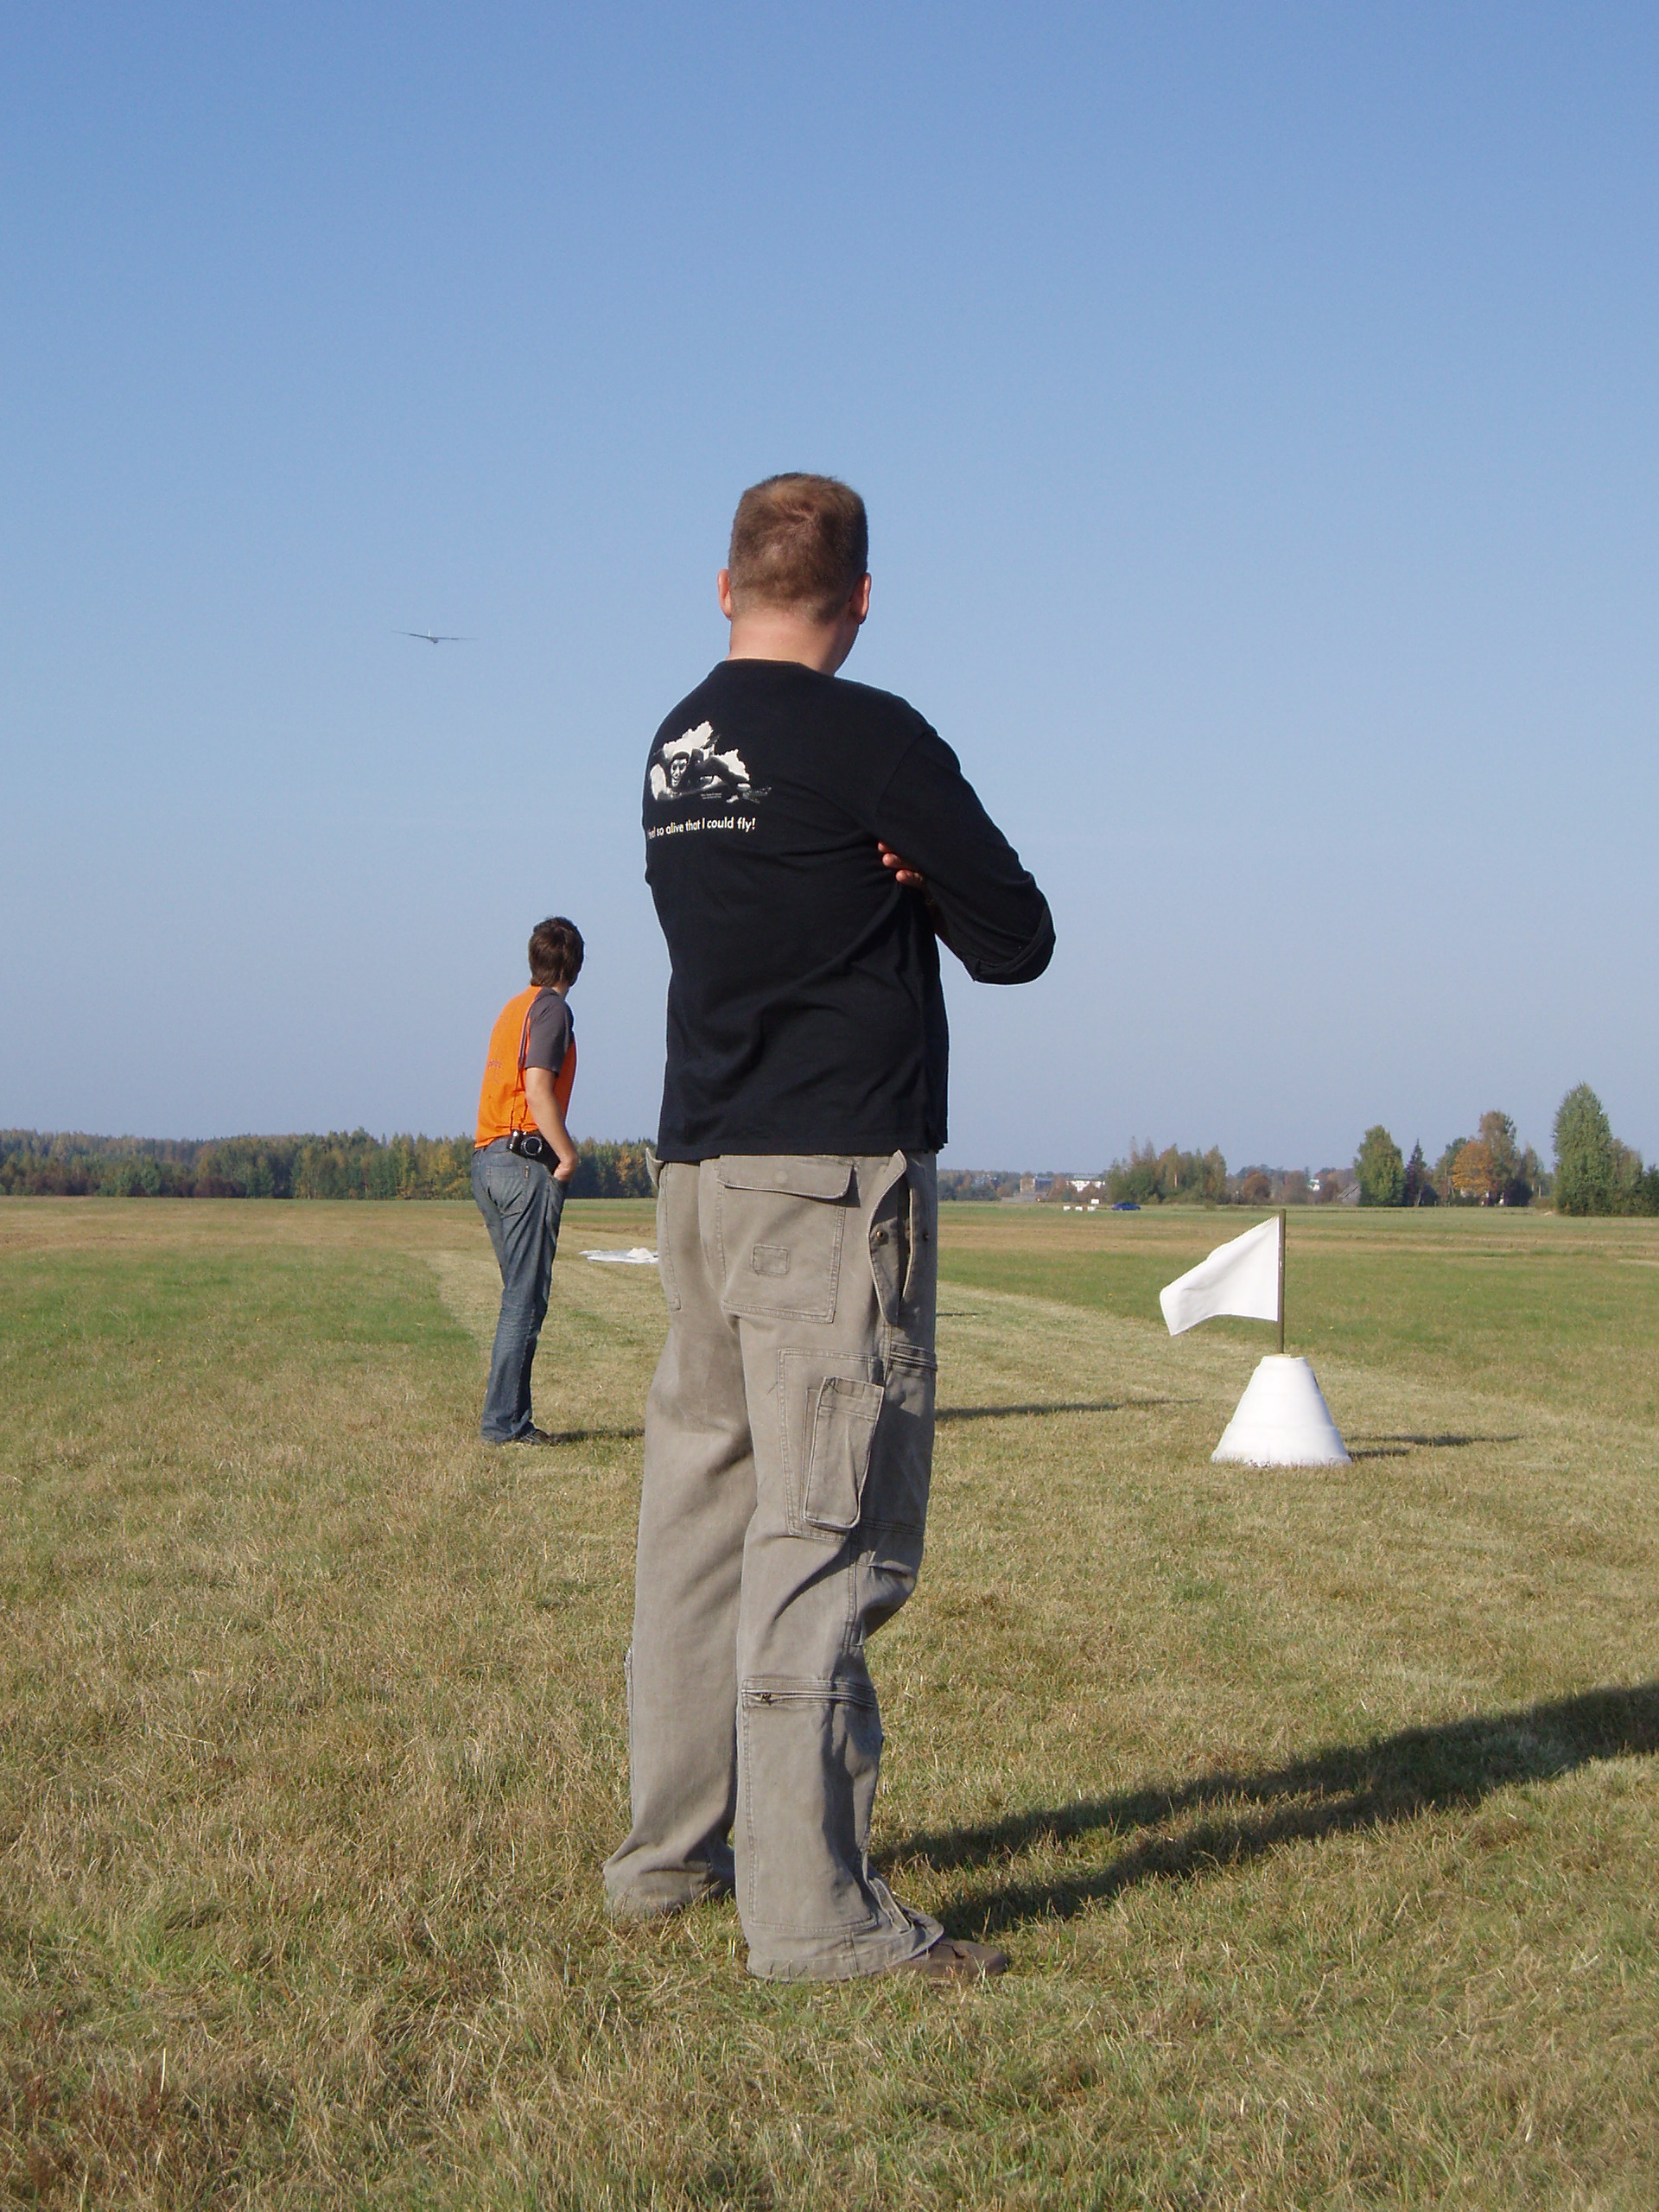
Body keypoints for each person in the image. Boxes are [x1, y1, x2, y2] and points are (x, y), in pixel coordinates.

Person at [603, 475, 1054, 1980]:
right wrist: (914, 871)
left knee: (700, 1517)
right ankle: (814, 1916)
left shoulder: (675, 743)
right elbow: (1019, 938)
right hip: (826, 1180)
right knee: (825, 1528)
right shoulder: (875, 741)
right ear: (862, 600)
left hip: (698, 1176)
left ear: (720, 587)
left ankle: (668, 1856)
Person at [471, 917, 583, 1444]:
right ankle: (505, 1425)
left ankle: (511, 1419)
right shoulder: (553, 1009)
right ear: (574, 966)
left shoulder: (513, 1009)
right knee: (524, 1298)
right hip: (523, 1163)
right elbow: (538, 1088)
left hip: (487, 1159)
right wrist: (566, 1156)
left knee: (518, 1295)